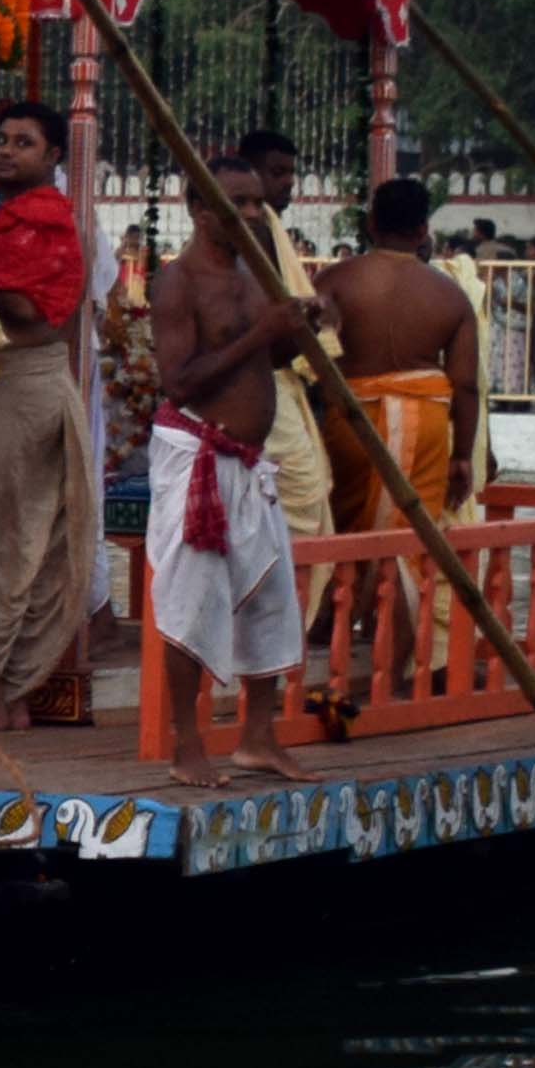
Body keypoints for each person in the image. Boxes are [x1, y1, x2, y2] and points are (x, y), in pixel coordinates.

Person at [146, 168, 320, 785]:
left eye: (255, 200)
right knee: (193, 601)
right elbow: (181, 381)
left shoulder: (253, 274)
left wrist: (295, 334)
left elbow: (266, 358)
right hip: (197, 455)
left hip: (248, 460)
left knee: (271, 598)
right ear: (198, 209)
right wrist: (263, 334)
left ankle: (258, 738)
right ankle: (187, 748)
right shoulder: (177, 282)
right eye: (235, 202)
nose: (251, 212)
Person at [0, 100, 98, 730]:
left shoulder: (45, 220)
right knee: (12, 541)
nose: (6, 150)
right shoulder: (2, 214)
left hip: (18, 385)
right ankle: (1, 692)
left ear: (53, 156)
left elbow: (34, 312)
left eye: (23, 143)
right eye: (1, 139)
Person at [322, 177, 480, 685]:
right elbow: (467, 386)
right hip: (427, 423)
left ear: (370, 223)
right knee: (412, 542)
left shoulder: (335, 280)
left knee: (341, 537)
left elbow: (312, 364)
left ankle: (332, 661)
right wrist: (463, 458)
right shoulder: (449, 294)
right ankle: (409, 668)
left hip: (351, 418)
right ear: (423, 229)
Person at [230, 131, 339, 536]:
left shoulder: (270, 229)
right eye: (277, 172)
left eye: (291, 173)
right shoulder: (250, 233)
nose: (287, 182)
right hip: (259, 384)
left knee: (299, 499)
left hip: (278, 383)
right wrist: (305, 320)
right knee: (301, 499)